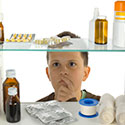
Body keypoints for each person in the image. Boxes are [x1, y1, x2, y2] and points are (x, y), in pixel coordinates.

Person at [37, 31, 100, 102]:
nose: (63, 72)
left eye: (72, 64)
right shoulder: (37, 107)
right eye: (56, 64)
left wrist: (71, 102)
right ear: (48, 73)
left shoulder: (100, 104)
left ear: (85, 73)